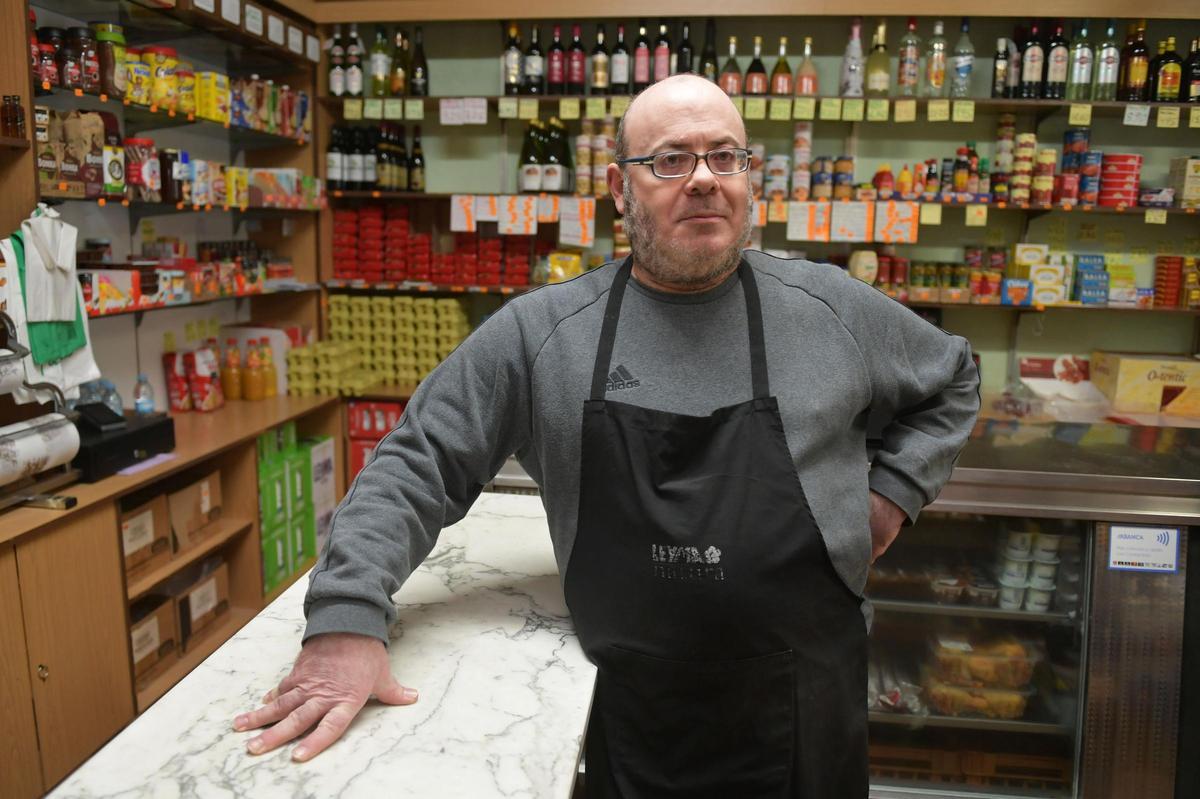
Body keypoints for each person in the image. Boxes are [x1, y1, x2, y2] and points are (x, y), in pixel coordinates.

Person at [233, 74, 980, 795]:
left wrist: (891, 495)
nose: (704, 178)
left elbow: (953, 377)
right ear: (620, 189)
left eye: (726, 156)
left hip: (809, 714)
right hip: (627, 718)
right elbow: (415, 462)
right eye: (670, 159)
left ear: (752, 179)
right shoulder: (542, 334)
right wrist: (345, 615)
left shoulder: (830, 307)